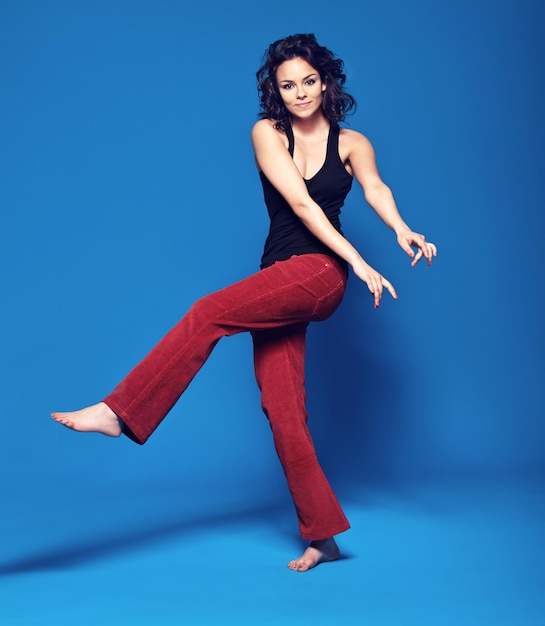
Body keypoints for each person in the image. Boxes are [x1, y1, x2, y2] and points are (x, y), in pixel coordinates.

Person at [52, 33, 437, 572]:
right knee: (282, 410)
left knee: (208, 312)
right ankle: (323, 535)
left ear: (325, 82)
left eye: (308, 81)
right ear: (276, 93)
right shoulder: (267, 133)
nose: (300, 93)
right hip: (279, 277)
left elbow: (375, 189)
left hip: (319, 274)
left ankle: (120, 412)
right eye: (288, 86)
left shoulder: (353, 143)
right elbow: (300, 202)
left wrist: (400, 230)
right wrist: (361, 259)